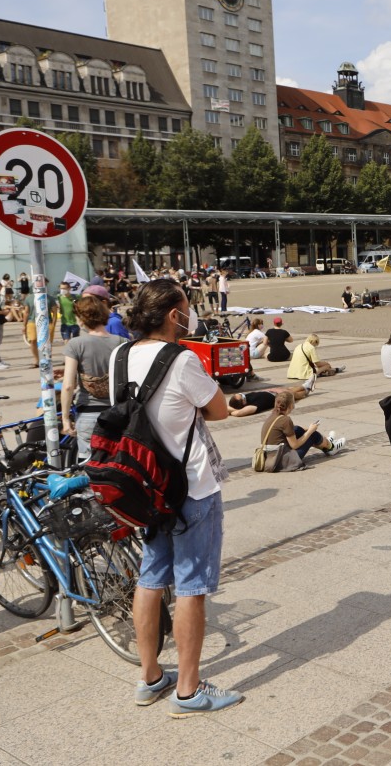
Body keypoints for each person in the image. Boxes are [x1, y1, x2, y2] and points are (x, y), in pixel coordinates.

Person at [122, 279, 240, 717]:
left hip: (145, 486)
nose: (190, 315)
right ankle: (189, 690)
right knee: (192, 586)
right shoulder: (182, 358)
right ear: (175, 315)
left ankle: (150, 676)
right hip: (190, 484)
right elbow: (219, 409)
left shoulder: (122, 355)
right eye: (186, 308)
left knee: (151, 578)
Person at [61, 296, 127, 457]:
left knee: (89, 466)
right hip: (116, 415)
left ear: (82, 318)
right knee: (116, 465)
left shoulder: (75, 344)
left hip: (89, 412)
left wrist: (65, 418)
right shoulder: (122, 342)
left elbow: (68, 385)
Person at [257, 390, 344, 470]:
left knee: (297, 429)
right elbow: (294, 445)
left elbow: (289, 430)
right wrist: (310, 431)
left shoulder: (273, 415)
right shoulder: (285, 420)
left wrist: (308, 429)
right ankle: (331, 447)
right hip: (280, 461)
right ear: (291, 405)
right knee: (312, 435)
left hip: (269, 457)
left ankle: (327, 443)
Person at [227, 380, 316, 417]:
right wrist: (233, 411)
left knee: (289, 390)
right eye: (241, 397)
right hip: (276, 397)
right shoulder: (251, 406)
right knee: (293, 395)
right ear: (243, 403)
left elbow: (227, 407)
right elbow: (239, 413)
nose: (242, 395)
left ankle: (305, 386)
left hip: (270, 392)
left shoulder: (246, 398)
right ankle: (306, 389)